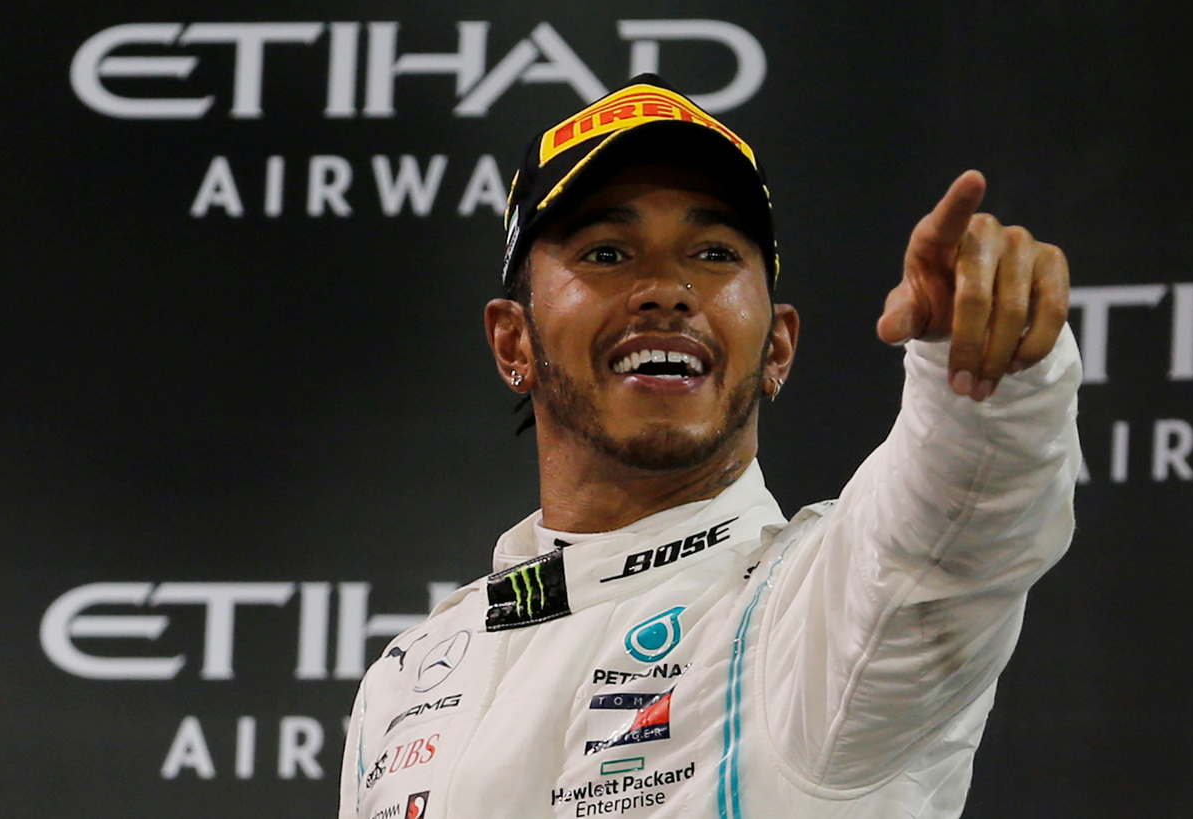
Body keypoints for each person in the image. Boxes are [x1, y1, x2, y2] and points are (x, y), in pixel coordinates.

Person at [338, 74, 1079, 819]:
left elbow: (956, 528)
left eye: (715, 253)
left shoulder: (815, 612)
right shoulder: (408, 680)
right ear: (513, 341)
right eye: (606, 253)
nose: (666, 288)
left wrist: (985, 368)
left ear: (778, 346)